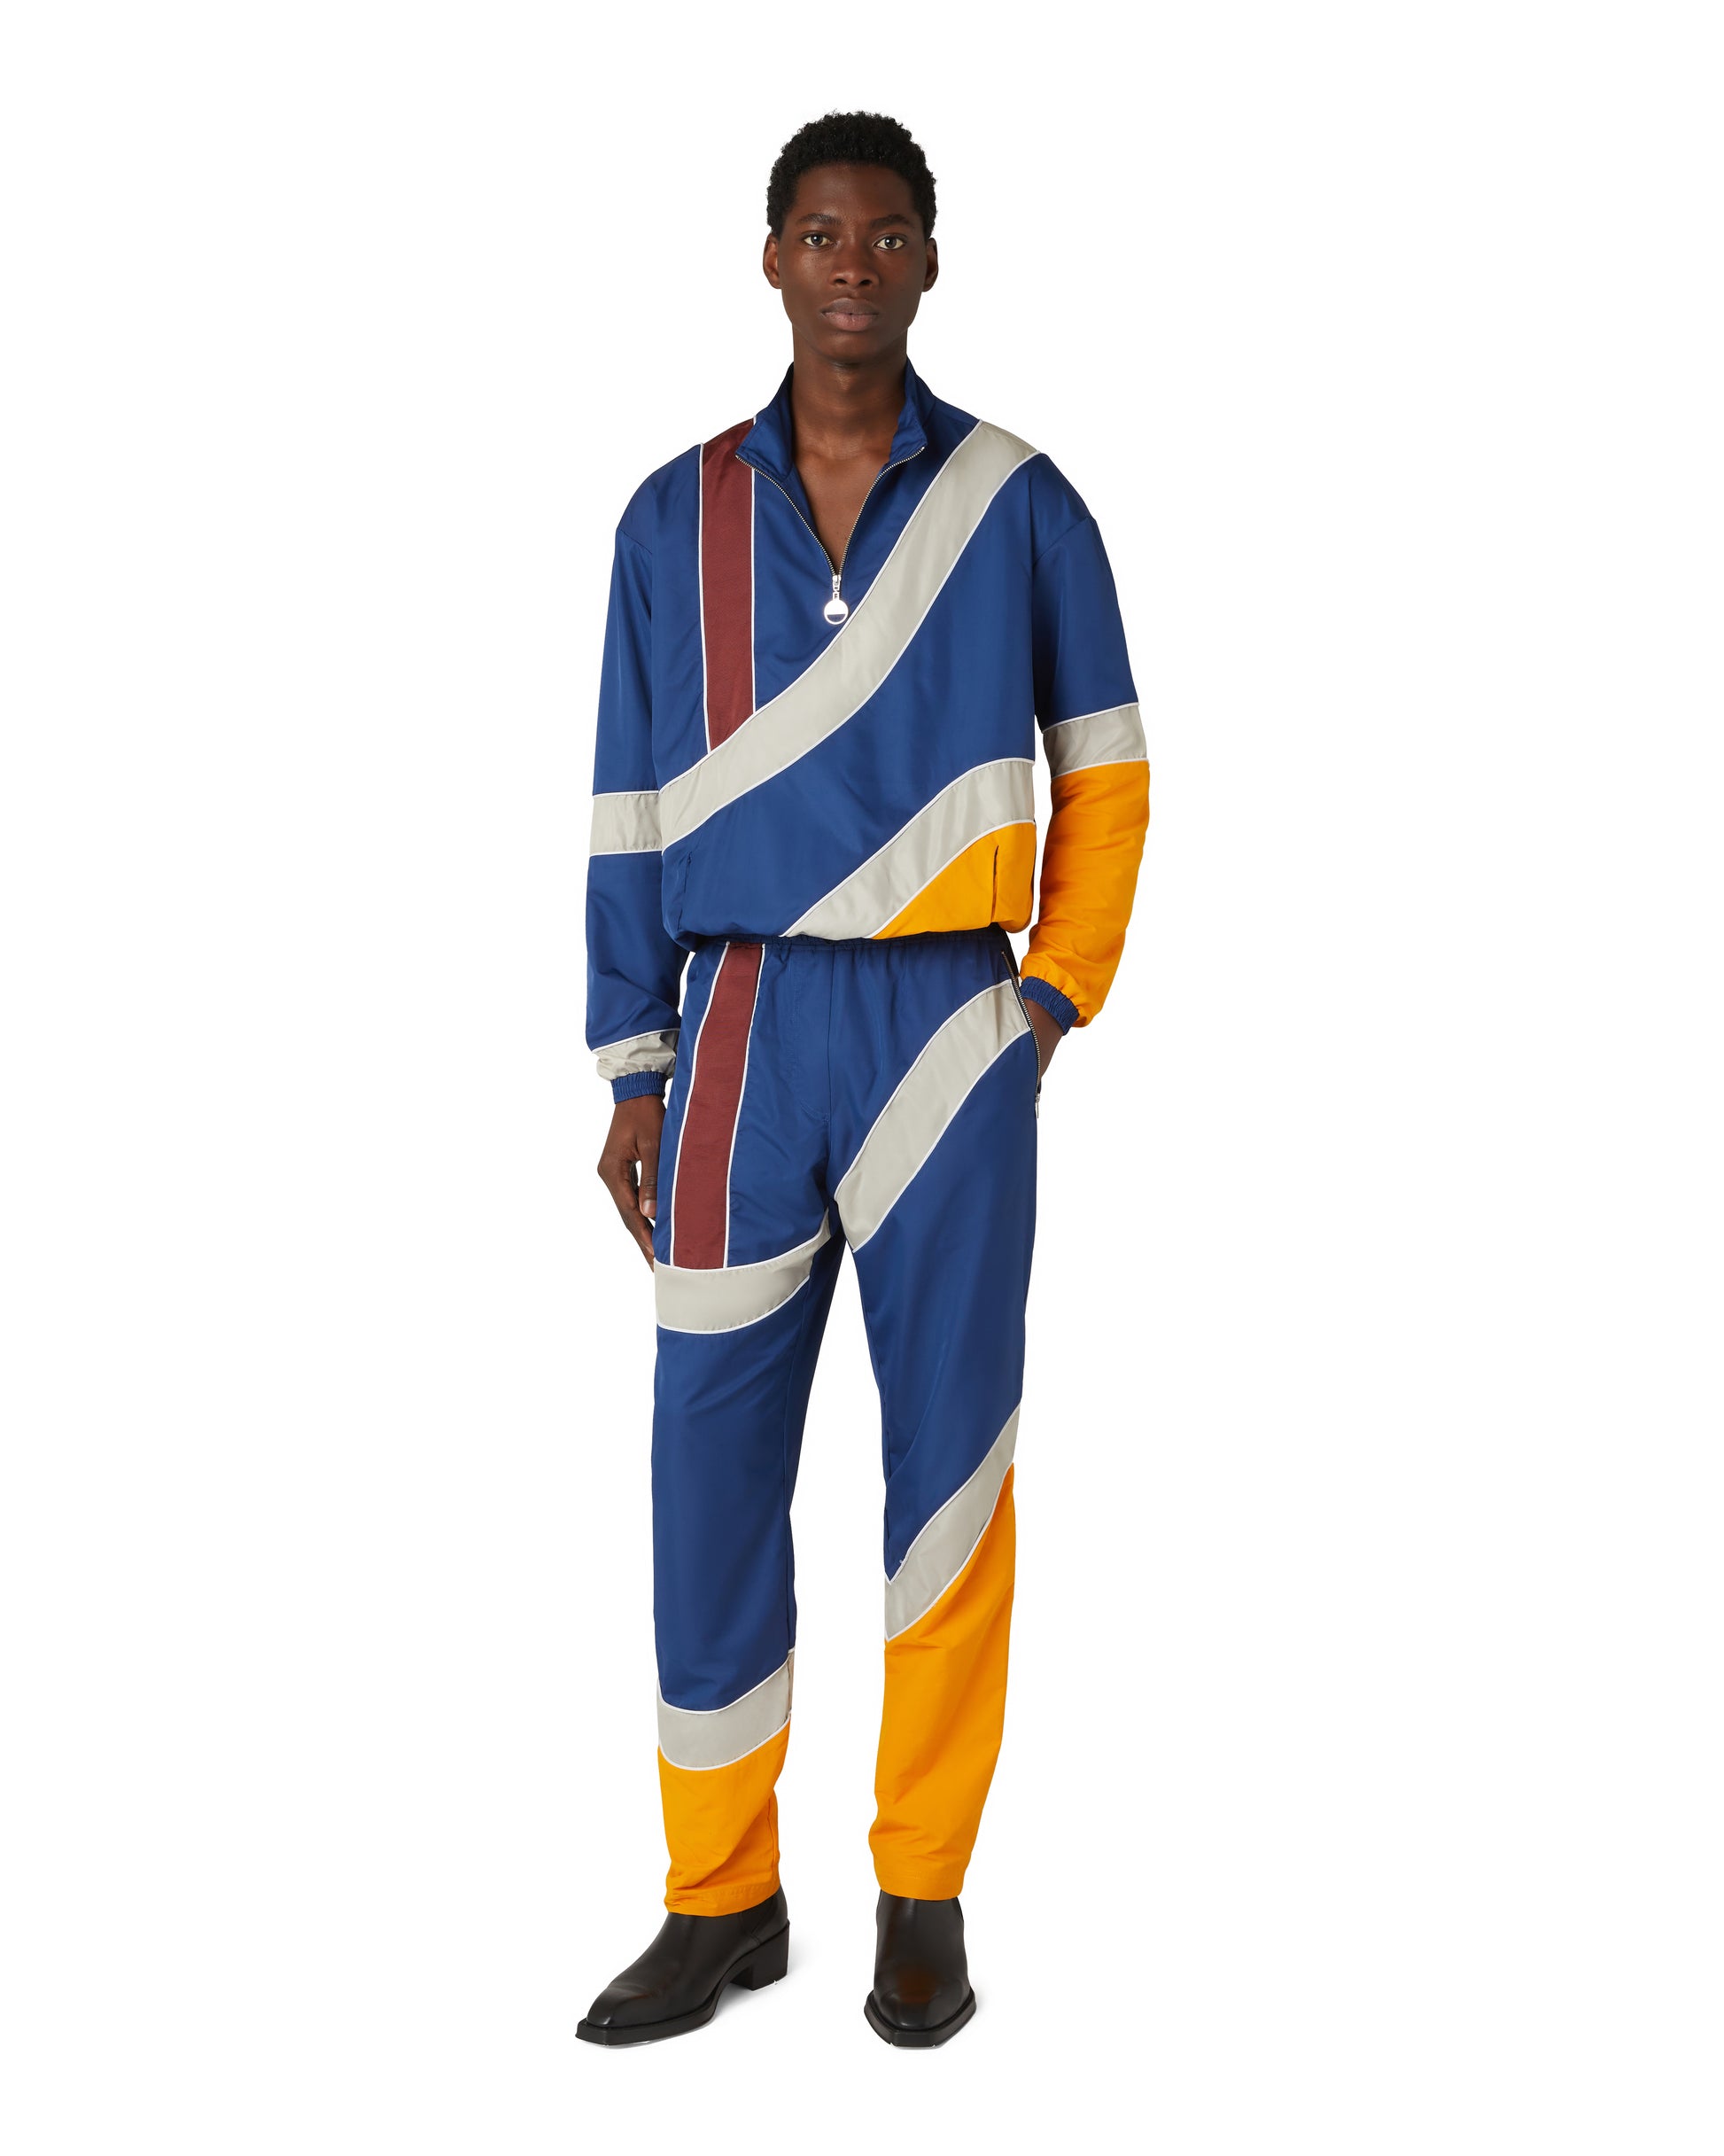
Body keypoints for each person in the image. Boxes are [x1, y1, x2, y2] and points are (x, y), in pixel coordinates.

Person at [577, 111, 1147, 2048]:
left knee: (952, 1475)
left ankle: (922, 1889)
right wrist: (631, 1059)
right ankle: (718, 1893)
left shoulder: (1019, 502)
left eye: (884, 234)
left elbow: (1111, 766)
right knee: (705, 1475)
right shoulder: (666, 519)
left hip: (941, 1032)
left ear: (927, 260)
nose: (850, 265)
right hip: (731, 1026)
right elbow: (625, 806)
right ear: (769, 257)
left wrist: (1046, 1000)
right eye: (818, 233)